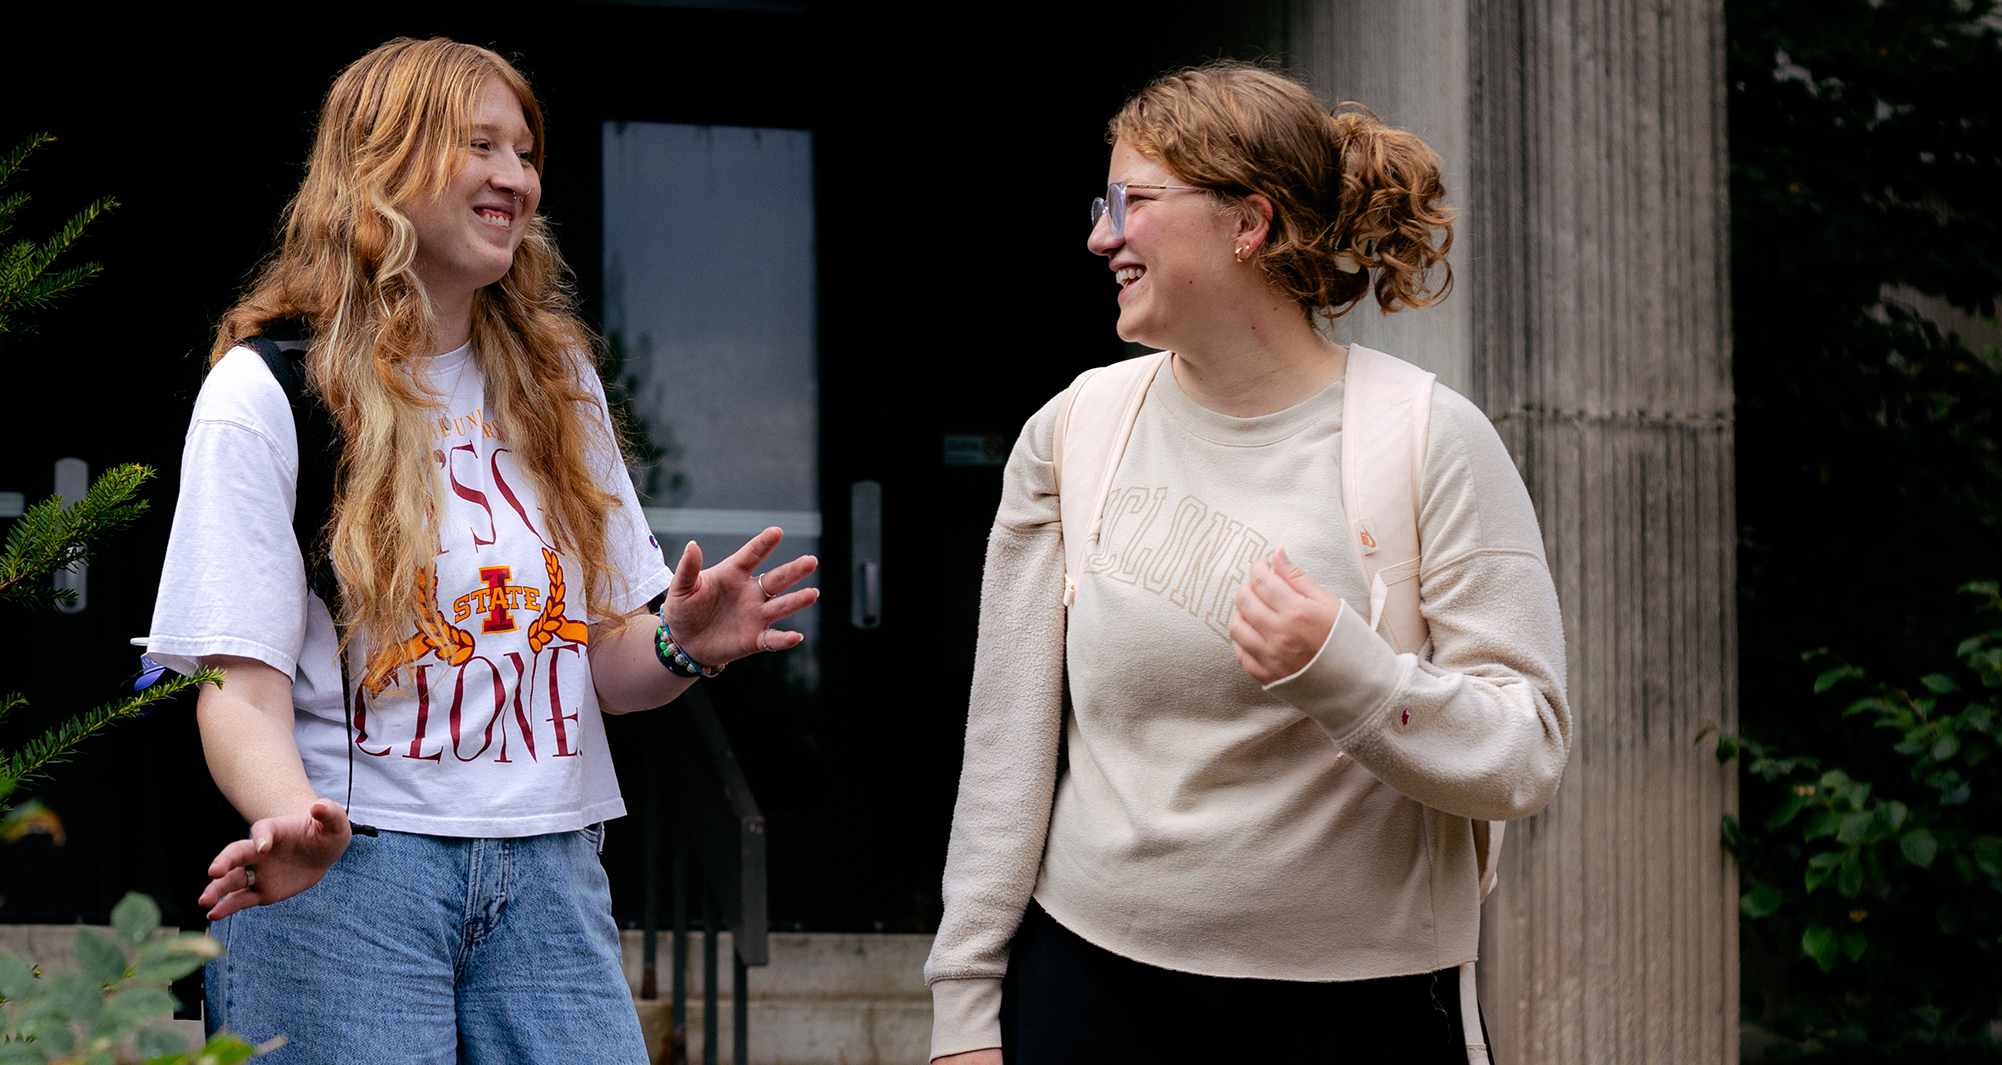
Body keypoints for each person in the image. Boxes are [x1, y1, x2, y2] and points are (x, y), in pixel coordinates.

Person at [145, 37, 816, 1064]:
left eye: (524, 150)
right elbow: (237, 681)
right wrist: (292, 816)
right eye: (479, 145)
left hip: (549, 874)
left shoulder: (555, 383)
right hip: (349, 882)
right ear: (380, 167)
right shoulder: (268, 391)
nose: (516, 176)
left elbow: (601, 663)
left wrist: (683, 644)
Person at [923, 62, 1571, 1065]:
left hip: (1362, 1006)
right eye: (1104, 206)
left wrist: (1346, 674)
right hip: (1092, 990)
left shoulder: (1427, 439)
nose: (1101, 236)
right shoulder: (1074, 432)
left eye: (1131, 203)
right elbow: (1007, 754)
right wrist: (963, 1012)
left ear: (1248, 224)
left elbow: (1527, 749)